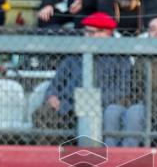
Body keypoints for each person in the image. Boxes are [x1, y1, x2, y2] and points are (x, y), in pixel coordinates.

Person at [32, 13, 134, 142]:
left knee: (106, 114)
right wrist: (51, 96)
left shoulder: (121, 59)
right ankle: (51, 157)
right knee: (42, 113)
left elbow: (122, 90)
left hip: (100, 108)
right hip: (66, 108)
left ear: (107, 33)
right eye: (86, 32)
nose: (88, 36)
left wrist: (90, 101)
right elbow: (55, 84)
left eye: (93, 33)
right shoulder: (74, 56)